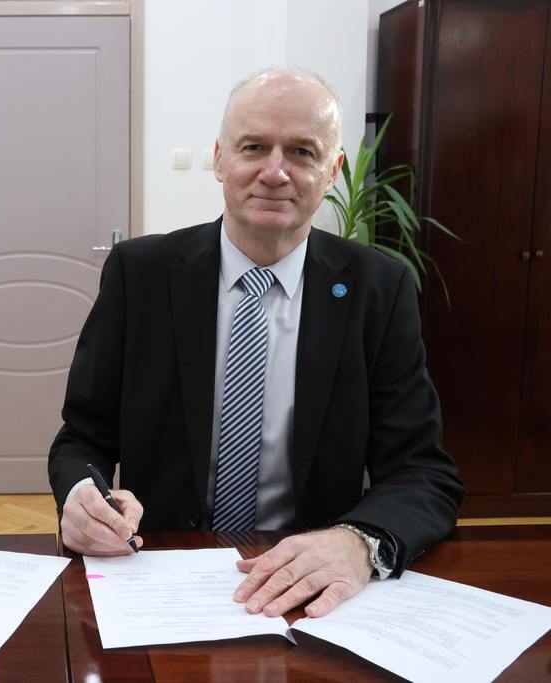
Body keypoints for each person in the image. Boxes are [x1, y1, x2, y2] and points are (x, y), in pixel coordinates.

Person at [48, 68, 464, 618]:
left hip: (308, 588)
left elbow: (424, 472)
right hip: (160, 572)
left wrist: (357, 543)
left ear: (333, 171)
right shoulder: (139, 274)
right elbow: (82, 438)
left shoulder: (378, 289)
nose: (275, 172)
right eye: (254, 147)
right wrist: (82, 495)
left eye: (302, 152)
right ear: (220, 159)